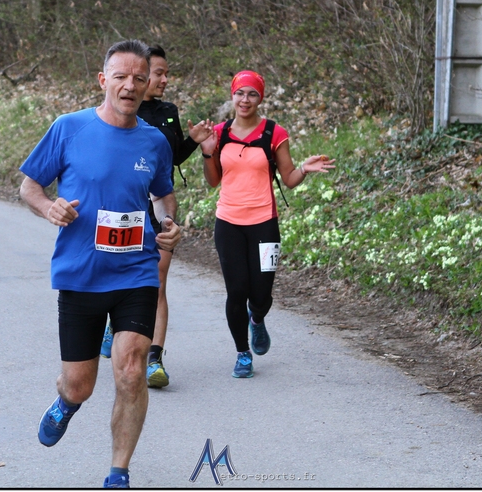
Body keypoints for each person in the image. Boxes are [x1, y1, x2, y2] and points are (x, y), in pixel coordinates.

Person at [19, 39, 182, 489]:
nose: (130, 85)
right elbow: (29, 186)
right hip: (81, 273)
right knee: (80, 385)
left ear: (147, 85)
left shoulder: (154, 141)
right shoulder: (69, 128)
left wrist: (169, 222)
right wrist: (49, 207)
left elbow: (163, 195)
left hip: (136, 271)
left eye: (139, 78)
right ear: (103, 80)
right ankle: (66, 402)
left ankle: (118, 471)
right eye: (121, 77)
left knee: (131, 370)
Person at [199, 70, 335, 378]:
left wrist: (304, 168)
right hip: (228, 222)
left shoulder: (274, 132)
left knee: (261, 294)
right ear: (232, 96)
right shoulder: (219, 132)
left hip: (264, 223)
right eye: (240, 93)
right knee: (236, 291)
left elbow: (289, 179)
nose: (245, 99)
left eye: (252, 94)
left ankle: (257, 319)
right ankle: (242, 354)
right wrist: (207, 152)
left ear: (261, 98)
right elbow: (213, 181)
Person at [100, 45, 213, 390]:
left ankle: (154, 359)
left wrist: (192, 141)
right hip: (126, 209)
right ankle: (114, 322)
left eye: (165, 74)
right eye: (158, 73)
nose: (164, 80)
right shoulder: (120, 110)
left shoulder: (168, 111)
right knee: (118, 275)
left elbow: (171, 157)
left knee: (157, 281)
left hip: (160, 205)